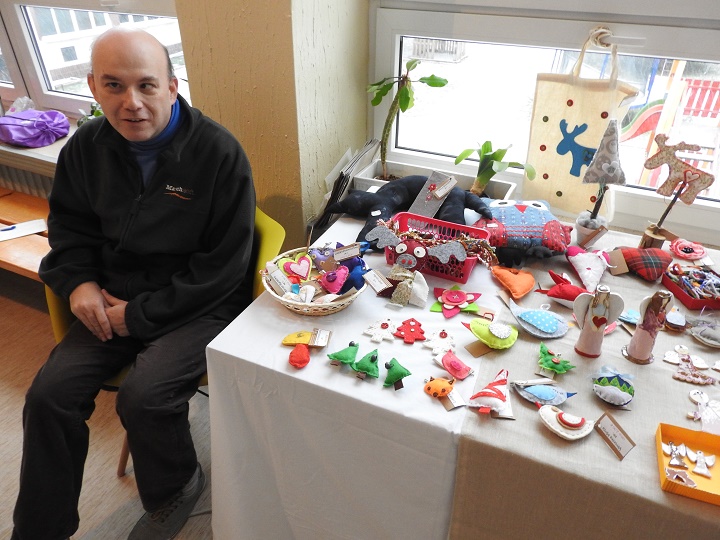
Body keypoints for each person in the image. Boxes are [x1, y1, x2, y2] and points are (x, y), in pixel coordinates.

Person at [12, 27, 256, 539]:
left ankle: (175, 489)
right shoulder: (85, 147)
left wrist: (141, 316)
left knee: (144, 397)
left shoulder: (219, 153)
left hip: (199, 301)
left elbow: (224, 268)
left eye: (146, 85)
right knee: (49, 397)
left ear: (172, 85)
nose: (132, 103)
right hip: (111, 294)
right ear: (93, 87)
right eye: (114, 85)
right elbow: (69, 229)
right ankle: (40, 529)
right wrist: (78, 283)